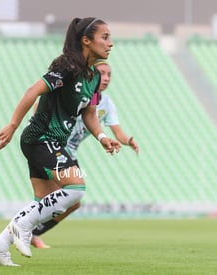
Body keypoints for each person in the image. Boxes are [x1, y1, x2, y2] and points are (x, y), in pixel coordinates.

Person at [0, 17, 120, 266]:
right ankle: (22, 226)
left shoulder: (94, 78)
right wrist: (12, 125)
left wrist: (102, 137)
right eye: (105, 37)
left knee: (43, 201)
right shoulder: (67, 68)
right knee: (76, 188)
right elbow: (32, 91)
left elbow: (89, 113)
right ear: (86, 41)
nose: (111, 43)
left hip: (54, 143)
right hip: (40, 138)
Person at [31, 59, 139, 248]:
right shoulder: (77, 91)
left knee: (73, 202)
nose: (105, 78)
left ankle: (31, 231)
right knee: (57, 195)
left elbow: (117, 132)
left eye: (109, 75)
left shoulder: (106, 103)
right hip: (52, 146)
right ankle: (23, 230)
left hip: (70, 153)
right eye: (102, 73)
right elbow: (44, 100)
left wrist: (128, 140)